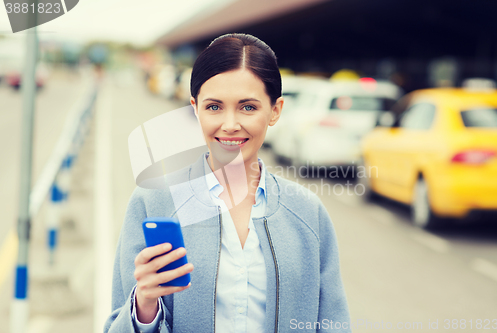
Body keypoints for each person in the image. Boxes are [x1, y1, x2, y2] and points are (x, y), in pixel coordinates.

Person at [104, 33, 351, 333]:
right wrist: (144, 306)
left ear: (275, 111)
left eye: (248, 107)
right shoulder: (153, 200)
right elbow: (117, 323)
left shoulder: (308, 213)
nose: (230, 124)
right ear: (195, 109)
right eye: (214, 107)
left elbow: (333, 324)